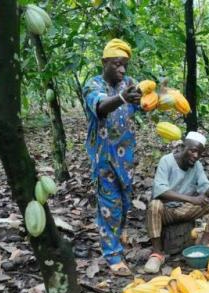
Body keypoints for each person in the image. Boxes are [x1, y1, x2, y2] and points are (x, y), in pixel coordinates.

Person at [82, 39, 142, 276]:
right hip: (103, 157)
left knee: (125, 203)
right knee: (109, 206)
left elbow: (143, 105)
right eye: (117, 64)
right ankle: (112, 254)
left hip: (126, 156)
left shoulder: (128, 83)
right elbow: (100, 107)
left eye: (125, 65)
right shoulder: (92, 84)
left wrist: (158, 96)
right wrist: (123, 98)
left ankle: (118, 234)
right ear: (104, 62)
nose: (122, 70)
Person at [144, 132, 209, 273]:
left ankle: (206, 243)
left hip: (185, 210)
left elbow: (205, 186)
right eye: (192, 150)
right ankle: (157, 254)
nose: (195, 156)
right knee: (154, 205)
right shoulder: (167, 161)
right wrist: (192, 199)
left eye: (199, 153)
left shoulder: (196, 165)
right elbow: (161, 191)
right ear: (182, 147)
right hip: (166, 211)